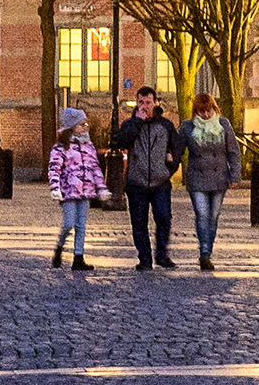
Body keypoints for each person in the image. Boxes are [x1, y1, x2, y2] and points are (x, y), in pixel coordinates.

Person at [114, 87, 183, 268]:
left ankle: (162, 255)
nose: (144, 106)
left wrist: (169, 169)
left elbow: (177, 148)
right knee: (139, 222)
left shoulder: (165, 125)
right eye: (141, 102)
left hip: (160, 182)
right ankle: (144, 258)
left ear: (155, 103)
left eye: (148, 103)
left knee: (163, 217)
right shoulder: (130, 124)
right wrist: (137, 123)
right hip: (137, 182)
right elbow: (121, 142)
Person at [182, 98, 241, 271]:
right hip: (197, 178)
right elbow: (178, 148)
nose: (206, 115)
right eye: (202, 112)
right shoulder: (188, 127)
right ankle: (205, 253)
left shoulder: (223, 125)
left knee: (213, 216)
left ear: (215, 109)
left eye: (209, 111)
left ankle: (208, 249)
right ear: (196, 112)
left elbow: (233, 152)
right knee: (202, 214)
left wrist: (234, 176)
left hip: (218, 178)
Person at [47, 107, 105, 270]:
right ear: (72, 127)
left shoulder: (89, 146)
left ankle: (78, 257)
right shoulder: (60, 147)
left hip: (85, 190)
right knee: (68, 223)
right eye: (82, 124)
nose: (85, 127)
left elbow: (95, 168)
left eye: (85, 124)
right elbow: (54, 168)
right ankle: (59, 246)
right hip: (69, 192)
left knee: (81, 225)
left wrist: (101, 187)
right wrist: (55, 188)